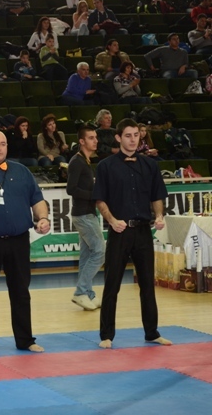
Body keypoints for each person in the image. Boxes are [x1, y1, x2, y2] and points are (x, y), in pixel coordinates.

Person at [92, 118, 172, 349]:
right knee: (112, 284)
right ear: (118, 137)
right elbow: (100, 199)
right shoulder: (106, 166)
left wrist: (159, 216)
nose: (133, 139)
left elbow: (157, 196)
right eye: (128, 135)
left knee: (147, 284)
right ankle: (106, 335)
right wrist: (111, 220)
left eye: (136, 135)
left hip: (143, 231)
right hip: (120, 231)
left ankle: (152, 332)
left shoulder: (150, 165)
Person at [0, 130, 48, 353]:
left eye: (2, 144)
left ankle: (25, 340)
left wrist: (43, 218)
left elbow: (37, 199)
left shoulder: (22, 171)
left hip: (18, 241)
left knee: (21, 292)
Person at [66, 125, 104, 311]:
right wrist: (94, 195)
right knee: (100, 251)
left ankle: (87, 293)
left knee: (87, 255)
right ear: (81, 141)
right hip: (83, 215)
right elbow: (71, 189)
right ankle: (81, 291)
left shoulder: (85, 161)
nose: (95, 140)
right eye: (91, 138)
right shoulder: (77, 162)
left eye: (95, 137)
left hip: (86, 213)